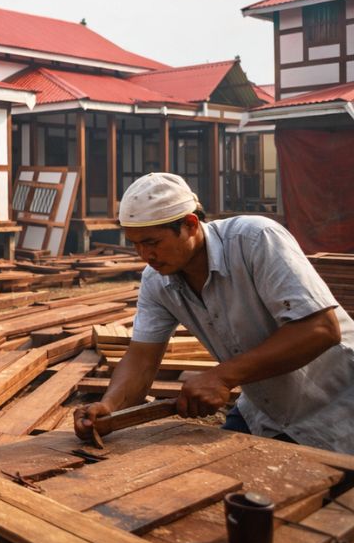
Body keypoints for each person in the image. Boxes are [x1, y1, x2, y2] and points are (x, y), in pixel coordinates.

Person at [74, 172, 354, 453]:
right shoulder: (157, 281)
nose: (145, 255)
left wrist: (221, 376)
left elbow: (321, 329)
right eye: (135, 244)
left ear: (190, 224)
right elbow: (142, 359)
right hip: (265, 411)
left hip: (339, 405)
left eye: (152, 242)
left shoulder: (256, 239)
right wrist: (109, 407)